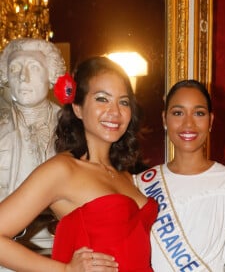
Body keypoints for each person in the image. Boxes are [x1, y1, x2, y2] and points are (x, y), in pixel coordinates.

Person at [0, 56, 158, 271]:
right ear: (77, 108)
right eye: (102, 99)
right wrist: (64, 270)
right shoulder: (63, 170)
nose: (115, 111)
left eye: (123, 101)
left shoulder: (127, 174)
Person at [135, 79, 225, 271]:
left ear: (210, 121)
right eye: (178, 113)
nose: (188, 123)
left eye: (199, 113)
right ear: (164, 119)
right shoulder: (142, 183)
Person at [0, 38, 66, 200]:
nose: (23, 77)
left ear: (51, 75)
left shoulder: (71, 126)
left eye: (34, 67)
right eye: (15, 68)